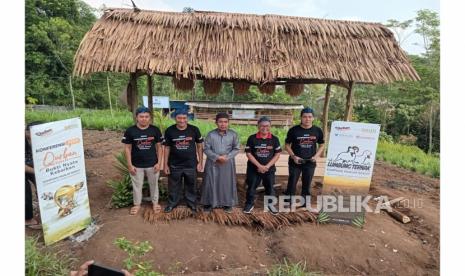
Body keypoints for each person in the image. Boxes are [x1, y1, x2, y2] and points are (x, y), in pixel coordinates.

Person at [122, 107, 164, 215]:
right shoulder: (130, 131)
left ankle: (155, 203)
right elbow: (127, 148)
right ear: (136, 117)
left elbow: (160, 147)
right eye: (141, 117)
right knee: (137, 185)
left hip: (152, 164)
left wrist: (159, 163)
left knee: (154, 185)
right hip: (136, 165)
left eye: (146, 117)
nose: (144, 119)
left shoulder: (155, 130)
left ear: (149, 118)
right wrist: (130, 165)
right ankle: (137, 204)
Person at [163, 110, 204, 213]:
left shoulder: (194, 130)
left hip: (191, 164)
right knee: (173, 186)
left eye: (184, 118)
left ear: (188, 118)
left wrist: (200, 162)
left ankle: (192, 204)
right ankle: (172, 203)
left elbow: (199, 146)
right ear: (175, 118)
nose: (182, 121)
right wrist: (165, 165)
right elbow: (167, 148)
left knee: (191, 185)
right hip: (174, 164)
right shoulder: (169, 131)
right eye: (179, 118)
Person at [285, 107, 325, 208]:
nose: (307, 119)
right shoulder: (294, 130)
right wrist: (293, 156)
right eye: (305, 117)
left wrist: (316, 156)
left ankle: (304, 204)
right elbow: (287, 145)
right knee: (292, 182)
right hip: (295, 162)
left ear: (313, 118)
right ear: (301, 118)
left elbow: (322, 145)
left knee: (307, 183)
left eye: (309, 117)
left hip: (310, 162)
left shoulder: (317, 130)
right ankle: (288, 202)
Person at [201, 112, 240, 214]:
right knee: (210, 182)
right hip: (213, 162)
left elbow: (236, 149)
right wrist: (217, 157)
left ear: (228, 123)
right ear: (216, 123)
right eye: (220, 122)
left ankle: (227, 204)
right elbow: (206, 149)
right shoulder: (210, 134)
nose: (223, 124)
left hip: (227, 163)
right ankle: (208, 203)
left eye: (225, 122)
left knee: (227, 183)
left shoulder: (233, 134)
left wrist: (227, 157)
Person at [243, 116, 281, 214]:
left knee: (270, 187)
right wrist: (259, 166)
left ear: (270, 126)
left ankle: (270, 205)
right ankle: (249, 204)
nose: (265, 128)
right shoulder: (252, 138)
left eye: (267, 126)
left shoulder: (274, 139)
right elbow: (248, 153)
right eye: (262, 126)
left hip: (269, 169)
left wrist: (267, 166)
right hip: (253, 169)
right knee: (251, 187)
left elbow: (277, 154)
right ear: (258, 126)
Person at [25, 121, 43, 229]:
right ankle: (27, 219)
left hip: (30, 163)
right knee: (24, 189)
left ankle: (45, 209)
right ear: (27, 132)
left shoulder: (38, 139)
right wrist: (37, 171)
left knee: (43, 183)